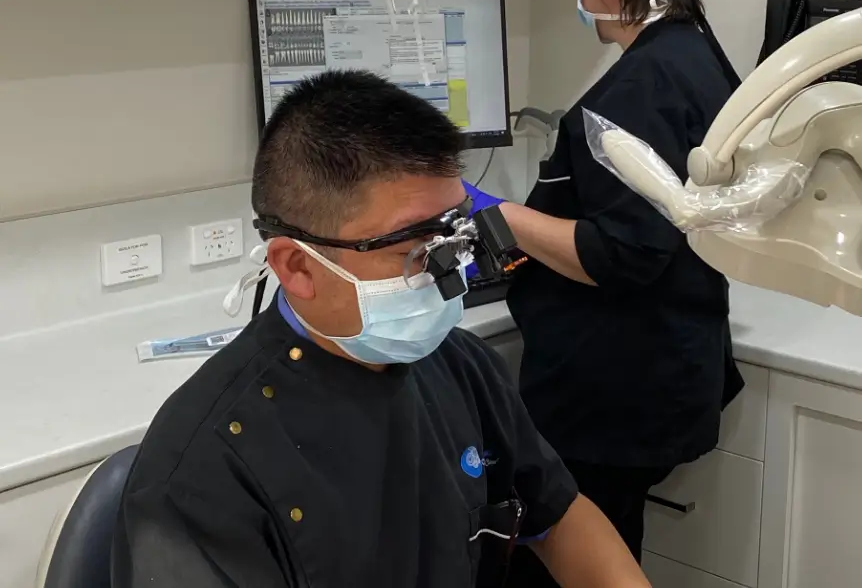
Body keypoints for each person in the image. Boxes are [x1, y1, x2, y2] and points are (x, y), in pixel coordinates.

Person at [112, 70, 652, 588]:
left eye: (455, 238)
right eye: (416, 251)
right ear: (298, 267)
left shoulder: (461, 366)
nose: (448, 275)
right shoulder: (204, 470)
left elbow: (558, 515)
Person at [467, 0, 745, 580]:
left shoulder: (642, 86)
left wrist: (500, 216)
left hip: (615, 391)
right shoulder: (696, 55)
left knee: (570, 564)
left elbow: (622, 253)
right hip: (665, 365)